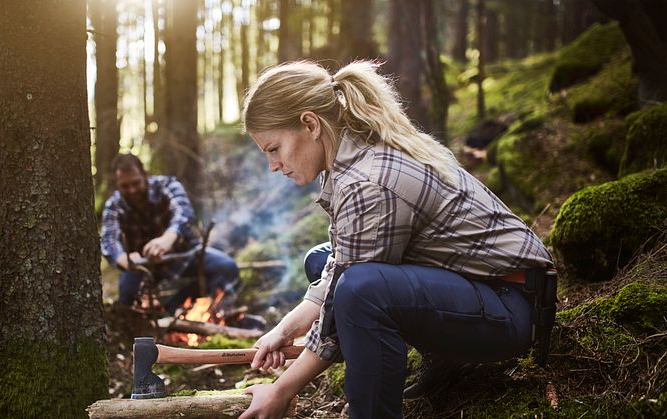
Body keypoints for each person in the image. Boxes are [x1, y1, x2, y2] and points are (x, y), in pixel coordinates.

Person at [237, 61, 554, 419]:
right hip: (478, 288)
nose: (273, 165)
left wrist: (281, 390)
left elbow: (345, 304)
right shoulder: (348, 159)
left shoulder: (367, 181)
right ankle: (450, 356)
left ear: (310, 124)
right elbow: (338, 267)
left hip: (510, 308)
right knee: (323, 261)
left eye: (274, 148)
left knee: (361, 290)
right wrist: (284, 330)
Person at [100, 154, 239, 315]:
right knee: (127, 296)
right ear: (117, 183)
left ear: (145, 175)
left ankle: (186, 308)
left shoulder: (167, 185)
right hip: (143, 268)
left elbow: (184, 213)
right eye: (125, 186)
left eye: (136, 183)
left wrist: (168, 238)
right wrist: (125, 260)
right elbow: (108, 240)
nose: (131, 190)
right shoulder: (114, 205)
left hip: (185, 256)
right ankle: (146, 325)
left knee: (226, 267)